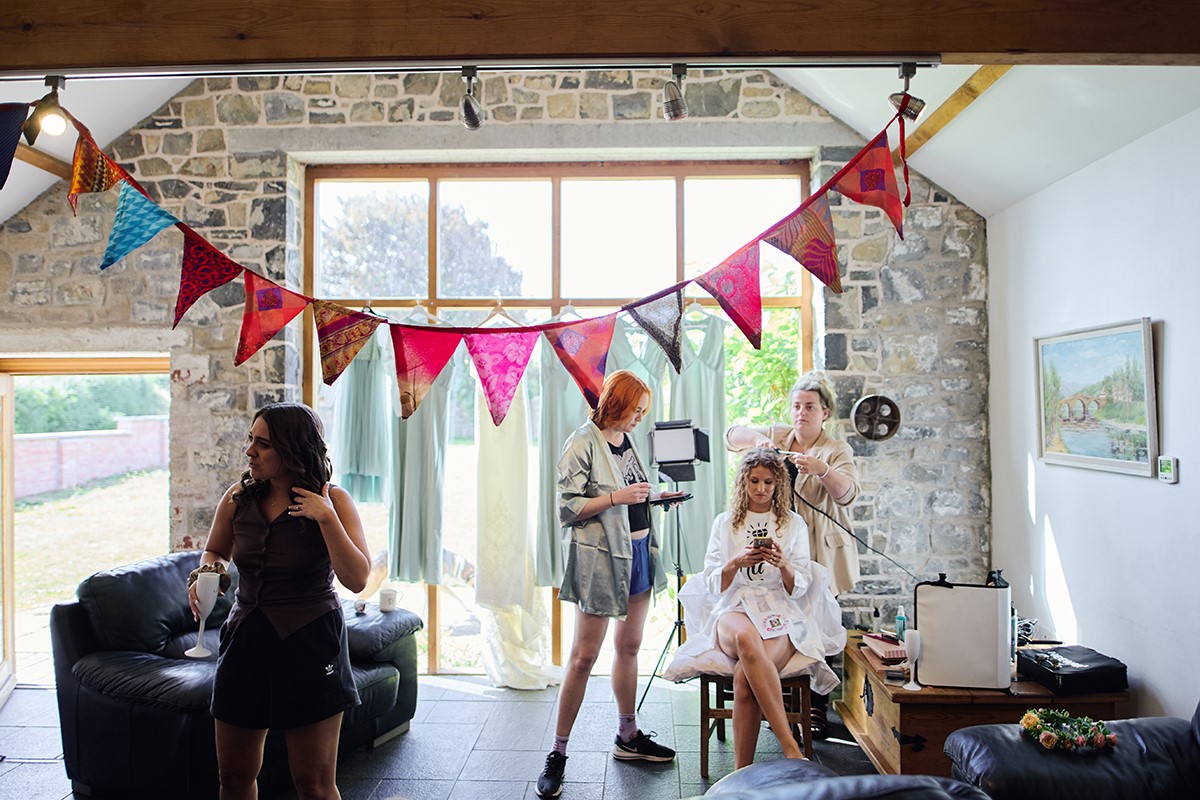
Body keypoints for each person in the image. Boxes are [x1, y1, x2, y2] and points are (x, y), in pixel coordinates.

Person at [188, 402, 371, 800]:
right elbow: (215, 551)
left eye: (263, 444)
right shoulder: (238, 498)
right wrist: (209, 572)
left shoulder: (334, 501)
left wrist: (326, 518)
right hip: (244, 641)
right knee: (233, 777)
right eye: (251, 439)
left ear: (293, 449)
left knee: (314, 784)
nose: (249, 451)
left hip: (310, 641)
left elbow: (357, 579)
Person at [536, 369, 686, 798]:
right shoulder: (582, 441)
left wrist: (655, 498)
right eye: (636, 409)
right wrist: (618, 498)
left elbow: (631, 494)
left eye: (643, 411)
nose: (640, 417)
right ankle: (558, 753)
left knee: (630, 647)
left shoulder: (626, 440)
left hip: (639, 554)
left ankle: (628, 734)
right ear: (616, 403)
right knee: (583, 657)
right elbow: (567, 508)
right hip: (601, 561)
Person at [664, 447, 844, 769]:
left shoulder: (793, 524)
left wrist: (784, 564)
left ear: (779, 485)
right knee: (747, 639)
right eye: (754, 481)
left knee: (744, 678)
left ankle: (741, 772)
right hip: (734, 608)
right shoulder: (725, 523)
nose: (761, 489)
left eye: (769, 482)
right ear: (744, 482)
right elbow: (712, 584)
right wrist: (736, 562)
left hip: (778, 608)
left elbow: (800, 587)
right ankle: (790, 746)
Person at [725, 370, 860, 739]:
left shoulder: (836, 450)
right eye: (797, 406)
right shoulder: (780, 435)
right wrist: (757, 439)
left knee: (817, 619)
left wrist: (822, 470)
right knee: (780, 621)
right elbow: (730, 435)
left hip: (820, 547)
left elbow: (848, 494)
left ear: (825, 412)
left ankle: (816, 707)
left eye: (810, 407)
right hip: (781, 542)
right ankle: (778, 698)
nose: (802, 412)